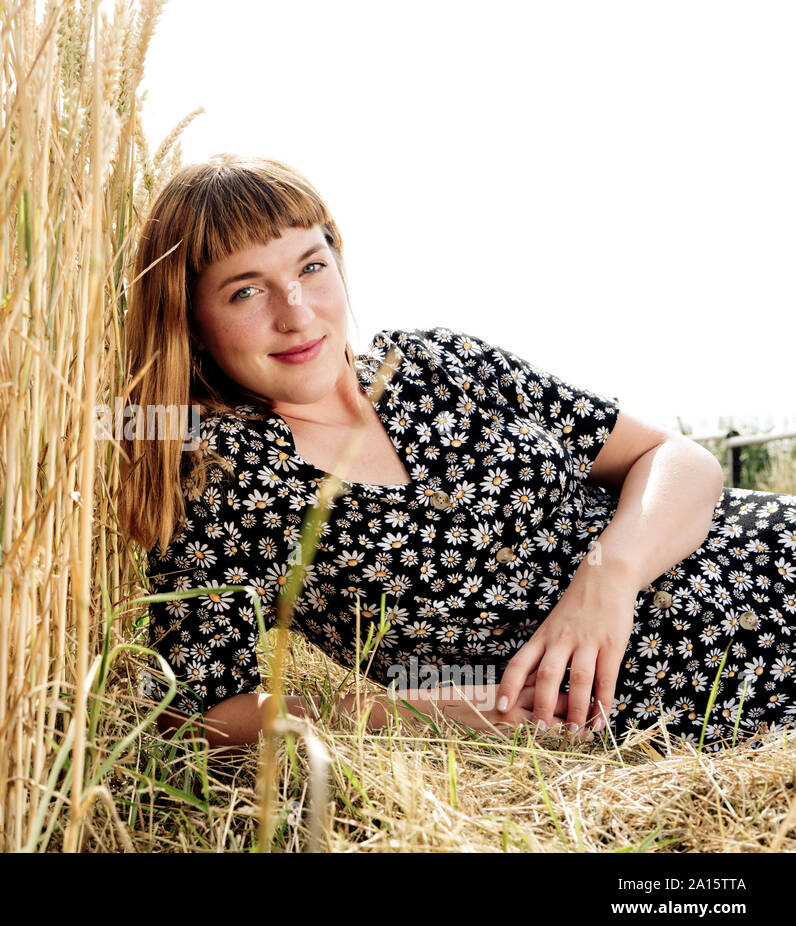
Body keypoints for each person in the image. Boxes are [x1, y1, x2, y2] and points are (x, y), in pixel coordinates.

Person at [118, 152, 796, 754]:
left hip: (767, 559)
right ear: (190, 320)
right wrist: (415, 713)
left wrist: (607, 579)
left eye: (311, 266)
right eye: (246, 289)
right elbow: (197, 713)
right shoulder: (225, 477)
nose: (296, 312)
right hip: (697, 709)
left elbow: (679, 459)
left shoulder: (437, 363)